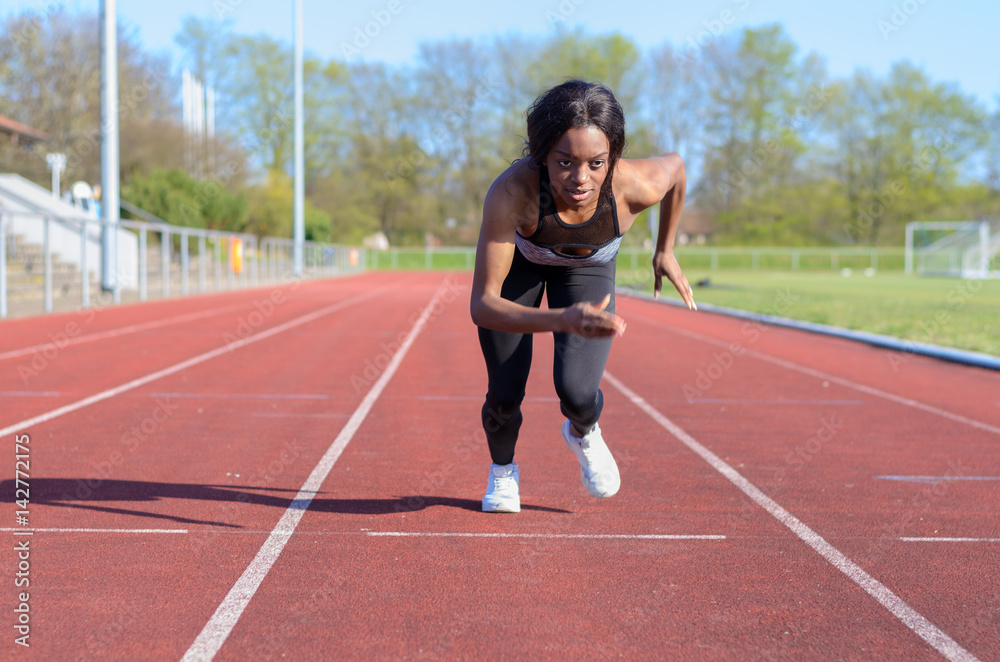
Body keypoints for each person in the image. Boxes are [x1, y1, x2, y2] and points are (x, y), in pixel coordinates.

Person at [470, 80, 696, 513]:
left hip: (589, 268)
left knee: (576, 391)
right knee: (504, 392)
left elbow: (679, 168)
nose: (580, 178)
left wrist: (665, 248)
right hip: (523, 264)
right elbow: (483, 304)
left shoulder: (637, 185)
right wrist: (561, 319)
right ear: (541, 156)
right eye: (564, 162)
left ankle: (583, 432)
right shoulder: (512, 192)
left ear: (612, 157)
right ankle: (503, 474)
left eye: (596, 163)